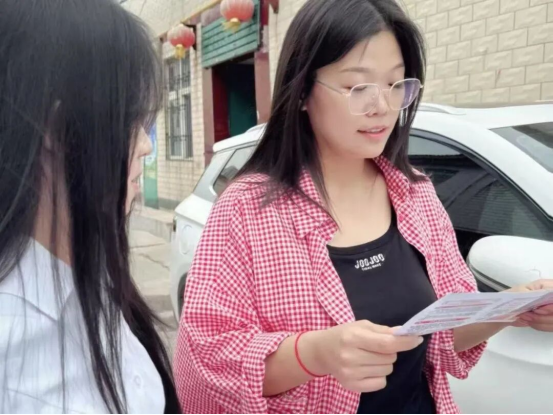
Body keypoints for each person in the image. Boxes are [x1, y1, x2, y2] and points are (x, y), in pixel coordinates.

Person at [173, 0, 553, 414]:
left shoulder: (416, 195)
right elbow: (209, 358)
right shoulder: (247, 209)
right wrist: (313, 354)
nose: (383, 106)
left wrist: (511, 307)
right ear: (301, 92)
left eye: (395, 84)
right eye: (358, 87)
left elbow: (442, 333)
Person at [0, 0, 180, 413]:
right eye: (132, 120)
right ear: (57, 130)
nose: (146, 145)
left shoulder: (92, 275)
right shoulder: (13, 344)